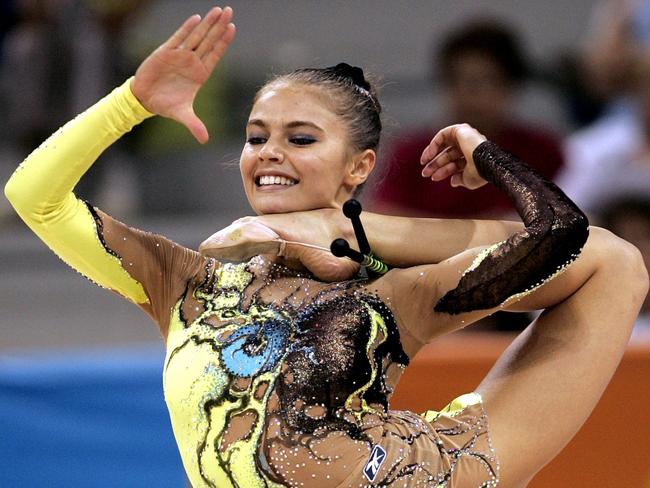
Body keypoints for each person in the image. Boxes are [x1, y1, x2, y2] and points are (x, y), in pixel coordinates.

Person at [4, 6, 648, 487]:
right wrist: (132, 104)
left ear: (359, 167)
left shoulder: (388, 295)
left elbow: (568, 240)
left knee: (619, 262)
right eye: (257, 137)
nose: (270, 153)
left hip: (425, 472)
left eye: (301, 138)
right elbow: (36, 196)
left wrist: (481, 155)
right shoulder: (182, 280)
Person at [370, 19, 565, 219]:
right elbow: (384, 218)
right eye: (456, 80)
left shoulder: (543, 150)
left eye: (483, 81)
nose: (467, 94)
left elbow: (573, 217)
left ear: (509, 86)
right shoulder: (412, 153)